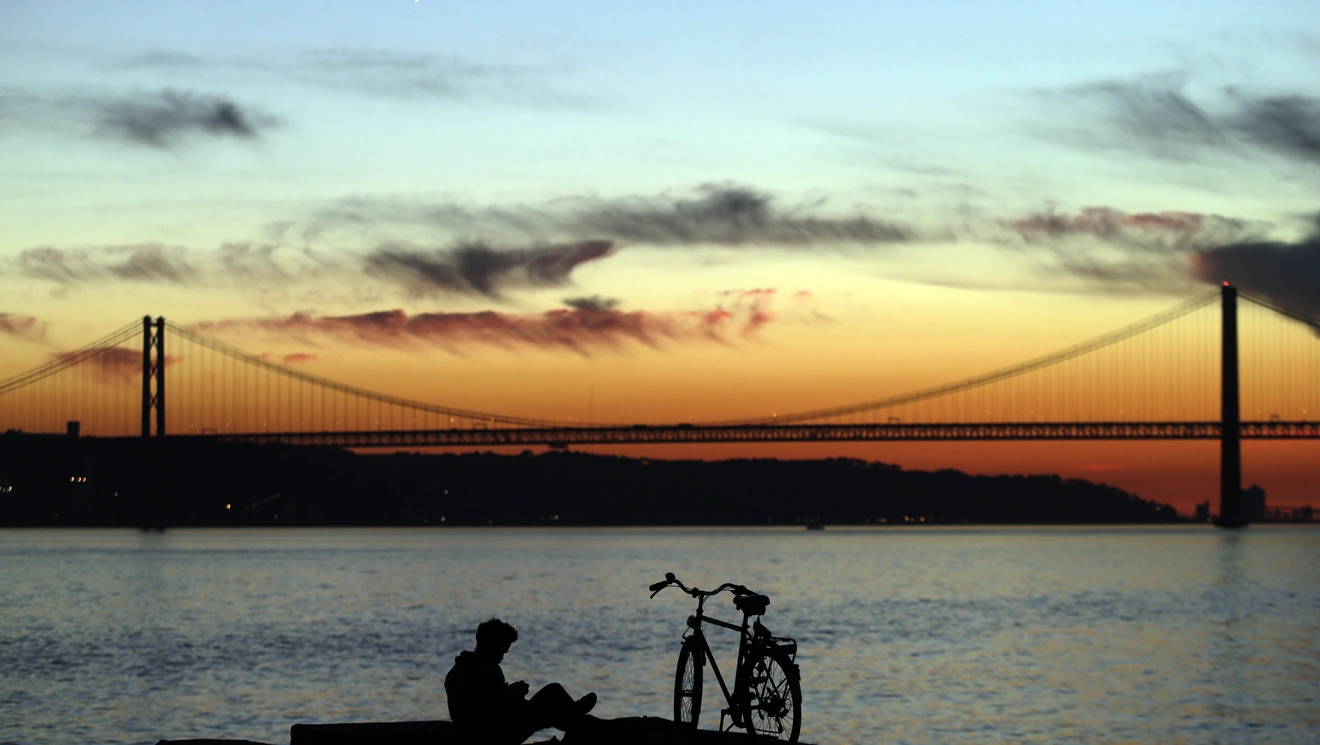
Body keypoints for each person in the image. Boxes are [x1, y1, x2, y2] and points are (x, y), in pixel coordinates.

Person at [445, 618, 598, 744]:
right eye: (501, 651)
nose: (502, 657)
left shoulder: (460, 669)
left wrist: (509, 693)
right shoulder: (488, 670)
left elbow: (488, 700)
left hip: (480, 732)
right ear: (491, 645)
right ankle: (577, 716)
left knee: (549, 707)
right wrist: (514, 693)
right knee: (553, 691)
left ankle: (575, 717)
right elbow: (496, 710)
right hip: (494, 737)